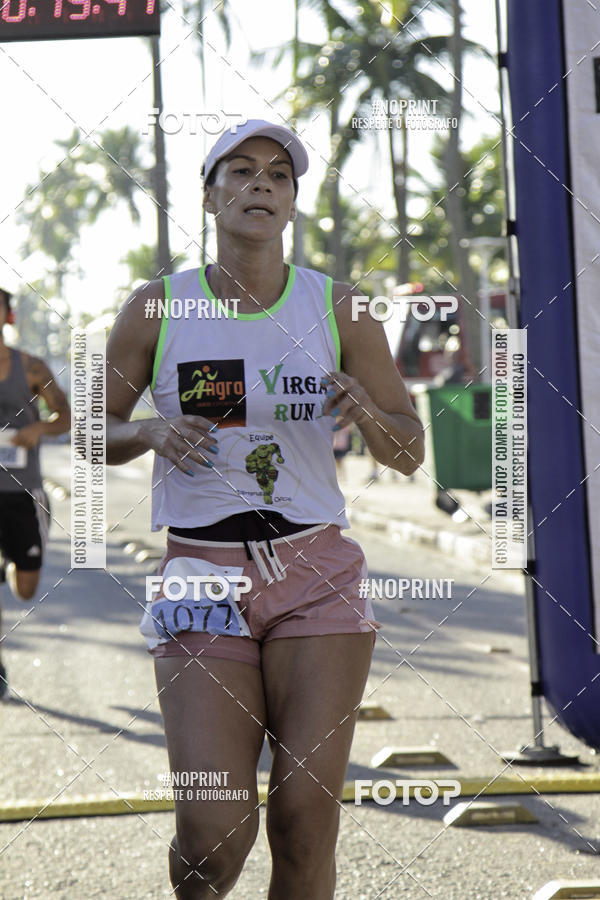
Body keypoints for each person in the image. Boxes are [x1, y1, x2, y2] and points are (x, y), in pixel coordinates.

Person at [105, 119, 424, 899]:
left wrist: (370, 414)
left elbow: (409, 449)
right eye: (241, 172)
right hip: (200, 577)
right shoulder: (157, 307)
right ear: (210, 197)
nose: (261, 186)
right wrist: (146, 428)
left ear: (291, 203)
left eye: (278, 176)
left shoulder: (342, 308)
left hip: (316, 572)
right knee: (213, 835)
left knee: (304, 823)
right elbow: (93, 431)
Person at [0, 287, 71, 699]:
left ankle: (10, 565)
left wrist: (36, 429)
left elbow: (64, 418)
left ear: (7, 317)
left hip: (23, 492)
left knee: (25, 588)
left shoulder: (30, 367)